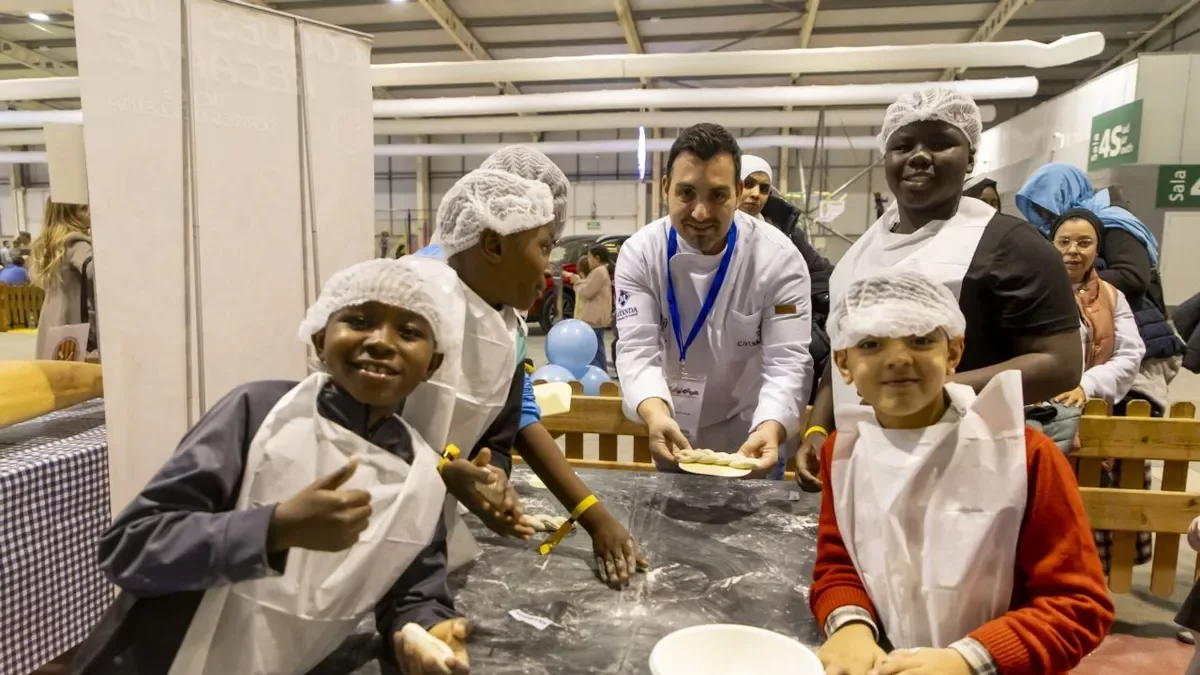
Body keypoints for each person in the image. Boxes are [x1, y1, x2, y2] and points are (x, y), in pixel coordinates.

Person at [70, 258, 477, 675]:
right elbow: (131, 549)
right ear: (320, 339)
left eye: (409, 332)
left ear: (432, 363)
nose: (381, 341)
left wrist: (424, 631)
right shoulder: (259, 414)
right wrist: (274, 529)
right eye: (359, 320)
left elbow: (411, 595)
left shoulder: (423, 479)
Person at [810, 270, 1113, 675]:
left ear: (953, 351)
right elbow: (840, 563)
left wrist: (968, 660)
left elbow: (1077, 605)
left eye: (921, 339)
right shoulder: (846, 452)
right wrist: (849, 624)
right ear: (843, 363)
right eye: (870, 344)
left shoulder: (1023, 457)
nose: (898, 358)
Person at [796, 87, 1083, 491]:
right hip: (862, 468)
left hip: (963, 473)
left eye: (939, 142)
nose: (918, 156)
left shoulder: (1010, 245)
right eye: (903, 145)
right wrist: (818, 430)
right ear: (886, 157)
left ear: (970, 157)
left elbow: (1061, 364)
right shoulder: (861, 252)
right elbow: (842, 356)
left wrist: (935, 388)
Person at [414, 155, 647, 587]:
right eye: (544, 244)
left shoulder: (501, 305)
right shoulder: (422, 300)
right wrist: (443, 472)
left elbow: (512, 409)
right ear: (494, 239)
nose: (550, 268)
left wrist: (590, 514)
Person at [614, 123, 814, 477]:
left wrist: (771, 426)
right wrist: (655, 414)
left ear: (738, 193)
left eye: (718, 195)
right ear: (665, 189)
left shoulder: (779, 259)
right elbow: (637, 350)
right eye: (687, 193)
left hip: (753, 436)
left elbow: (788, 361)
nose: (701, 213)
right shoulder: (641, 254)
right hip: (673, 432)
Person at [1016, 162, 1185, 414]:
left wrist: (1067, 281)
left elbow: (1133, 276)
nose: (1045, 216)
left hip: (1142, 344)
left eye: (1048, 206)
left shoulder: (1113, 224)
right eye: (1039, 209)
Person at [736, 155, 835, 405]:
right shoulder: (711, 228)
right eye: (748, 184)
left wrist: (820, 312)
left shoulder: (785, 231)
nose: (755, 194)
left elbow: (819, 272)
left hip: (778, 324)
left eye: (764, 188)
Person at [1048, 209, 1144, 407]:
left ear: (1097, 249)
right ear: (1051, 246)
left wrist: (1087, 385)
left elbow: (1129, 354)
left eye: (1084, 243)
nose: (1073, 250)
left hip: (1088, 405)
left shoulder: (1112, 296)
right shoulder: (1027, 290)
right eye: (1064, 242)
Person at [31, 200, 98, 360]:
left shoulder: (51, 244)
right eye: (83, 208)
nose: (89, 211)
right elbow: (92, 269)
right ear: (67, 215)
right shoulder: (76, 242)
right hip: (73, 321)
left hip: (52, 320)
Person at [566, 245, 613, 371]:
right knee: (597, 349)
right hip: (596, 319)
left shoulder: (599, 272)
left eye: (589, 257)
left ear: (597, 258)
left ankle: (598, 375)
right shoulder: (600, 271)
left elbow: (587, 291)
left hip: (594, 319)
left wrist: (576, 281)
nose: (588, 260)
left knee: (593, 351)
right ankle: (601, 375)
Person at [737, 154, 773, 218]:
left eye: (763, 189)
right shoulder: (716, 225)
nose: (756, 194)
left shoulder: (775, 227)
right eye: (748, 184)